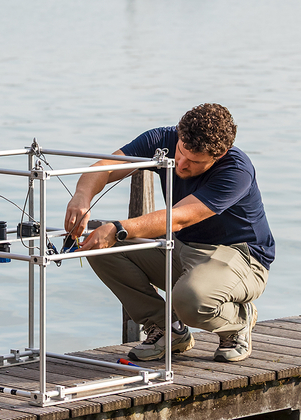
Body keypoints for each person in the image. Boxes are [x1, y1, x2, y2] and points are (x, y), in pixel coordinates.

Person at [63, 103, 274, 363]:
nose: (181, 165)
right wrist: (82, 197)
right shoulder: (162, 139)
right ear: (179, 134)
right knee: (100, 246)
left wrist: (119, 228)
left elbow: (180, 217)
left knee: (190, 301)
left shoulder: (236, 171)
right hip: (181, 246)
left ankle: (239, 320)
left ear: (219, 155)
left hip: (240, 257)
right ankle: (168, 329)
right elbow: (104, 167)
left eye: (194, 161)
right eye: (180, 152)